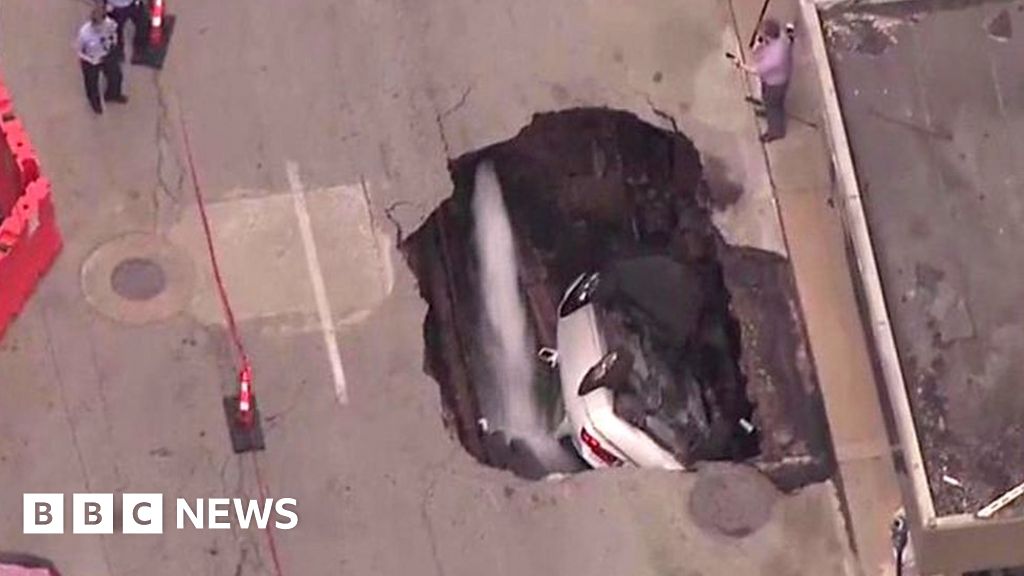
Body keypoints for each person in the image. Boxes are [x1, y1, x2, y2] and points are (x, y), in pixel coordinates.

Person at [735, 19, 794, 143]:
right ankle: (767, 110)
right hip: (775, 79)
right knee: (770, 102)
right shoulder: (782, 39)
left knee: (773, 106)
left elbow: (757, 70)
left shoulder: (774, 58)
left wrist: (741, 65)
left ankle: (776, 131)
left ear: (768, 36)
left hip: (775, 84)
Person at [76, 5, 127, 114]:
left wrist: (114, 42)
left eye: (100, 25)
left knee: (116, 75)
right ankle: (95, 104)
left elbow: (114, 33)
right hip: (90, 60)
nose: (99, 29)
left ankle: (113, 94)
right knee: (92, 84)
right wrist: (90, 59)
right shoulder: (84, 34)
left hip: (106, 54)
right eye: (96, 26)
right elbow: (79, 51)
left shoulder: (110, 24)